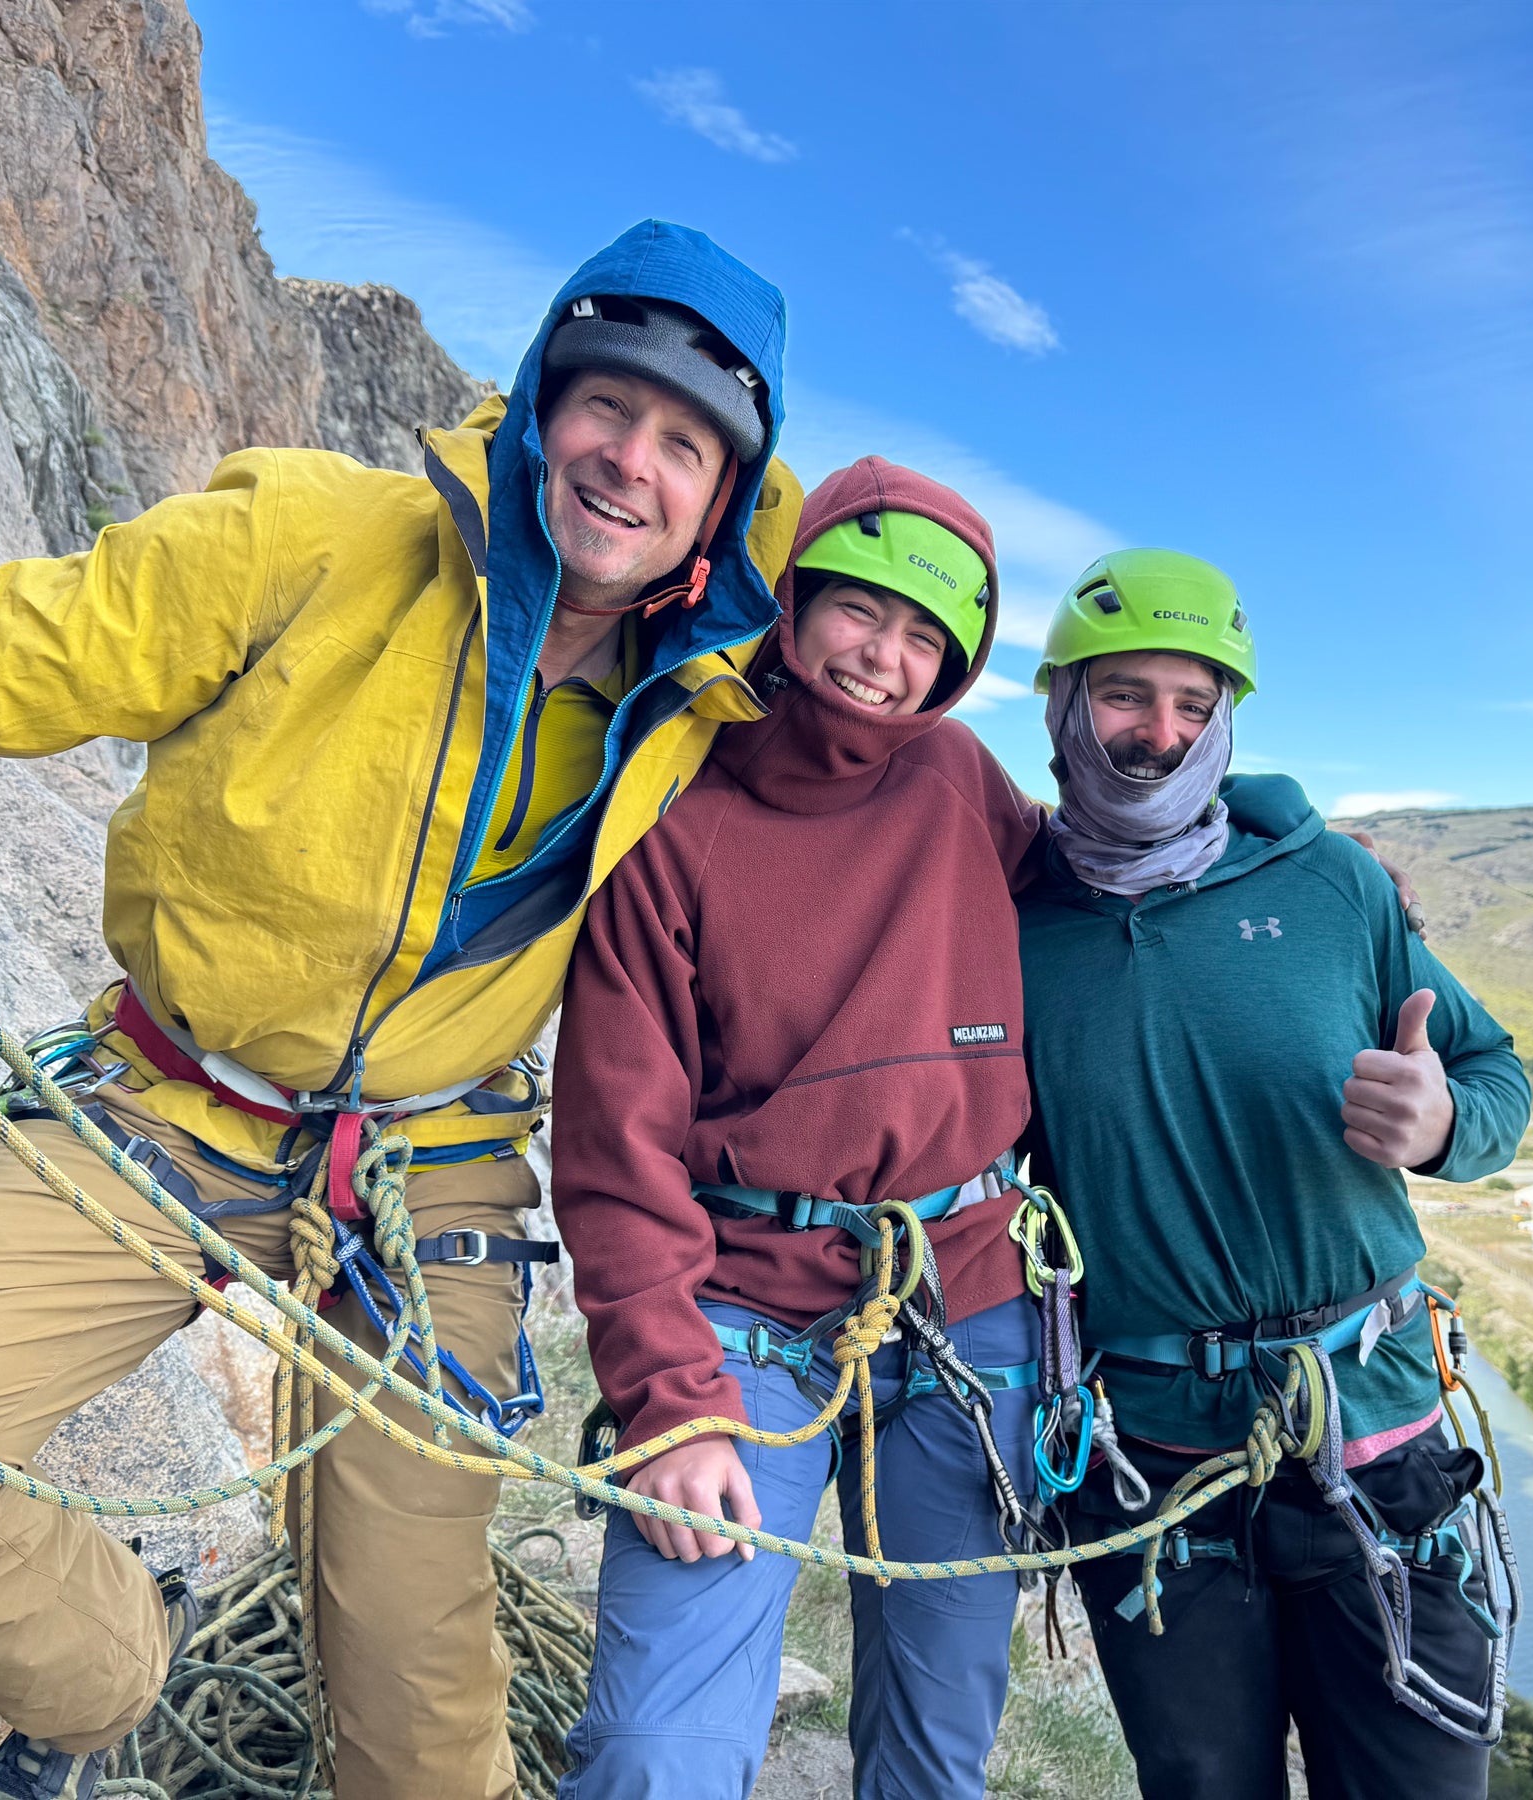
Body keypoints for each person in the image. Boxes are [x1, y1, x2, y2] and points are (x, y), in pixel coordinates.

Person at [0, 218, 803, 1800]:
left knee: (417, 1705)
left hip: (437, 1170)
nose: (630, 463)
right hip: (169, 1102)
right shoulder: (312, 539)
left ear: (726, 501)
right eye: (607, 408)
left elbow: (880, 716)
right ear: (543, 398)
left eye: (686, 444)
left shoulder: (699, 708)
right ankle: (111, 1677)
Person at [551, 456, 1049, 1800]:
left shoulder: (956, 778)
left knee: (939, 1742)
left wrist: (1279, 863)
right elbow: (616, 1141)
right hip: (740, 1313)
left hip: (968, 1307)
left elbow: (1094, 896)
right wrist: (670, 1398)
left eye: (926, 638)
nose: (885, 660)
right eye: (859, 612)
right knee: (660, 1750)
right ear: (797, 593)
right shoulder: (675, 803)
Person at [1011, 551, 1532, 1800]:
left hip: (1375, 1436)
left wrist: (1443, 1119)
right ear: (1062, 705)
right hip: (1156, 1463)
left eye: (1195, 705)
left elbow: (1498, 1079)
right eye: (1126, 697)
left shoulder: (1332, 884)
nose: (1160, 733)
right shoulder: (1006, 915)